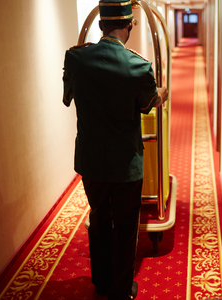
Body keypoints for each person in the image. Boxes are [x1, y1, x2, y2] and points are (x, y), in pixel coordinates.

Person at [62, 1, 168, 299]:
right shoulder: (139, 66)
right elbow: (148, 103)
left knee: (98, 217)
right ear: (130, 26)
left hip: (91, 160)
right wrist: (161, 95)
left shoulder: (75, 58)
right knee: (125, 225)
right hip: (126, 163)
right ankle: (121, 289)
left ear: (100, 25)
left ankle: (102, 281)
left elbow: (69, 96)